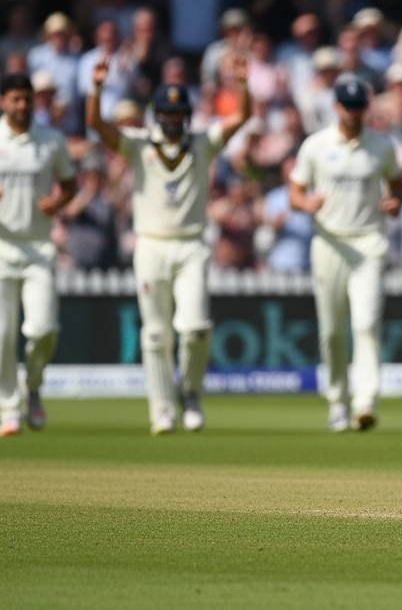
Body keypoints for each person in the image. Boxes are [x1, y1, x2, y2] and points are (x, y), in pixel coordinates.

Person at [86, 53, 252, 434]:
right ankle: (161, 409)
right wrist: (96, 87)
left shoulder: (202, 141)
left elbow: (241, 118)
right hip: (151, 245)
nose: (174, 119)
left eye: (179, 114)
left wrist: (242, 84)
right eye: (168, 113)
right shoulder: (137, 144)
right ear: (157, 114)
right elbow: (95, 123)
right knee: (156, 333)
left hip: (192, 244)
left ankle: (189, 392)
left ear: (188, 115)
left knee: (195, 327)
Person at [289, 80, 402, 432]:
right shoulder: (316, 146)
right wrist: (306, 203)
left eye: (359, 106)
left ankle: (365, 402)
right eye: (348, 106)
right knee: (332, 332)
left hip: (368, 243)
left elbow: (397, 185)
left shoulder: (382, 146)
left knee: (366, 324)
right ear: (336, 107)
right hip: (329, 244)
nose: (353, 113)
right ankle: (338, 401)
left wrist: (395, 203)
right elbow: (296, 190)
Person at [0, 75, 76, 436]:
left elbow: (70, 182)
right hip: (1, 246)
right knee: (1, 334)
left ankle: (33, 386)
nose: (22, 106)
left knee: (43, 330)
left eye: (26, 99)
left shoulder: (51, 140)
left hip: (39, 246)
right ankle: (8, 407)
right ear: (3, 102)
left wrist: (59, 201)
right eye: (15, 99)